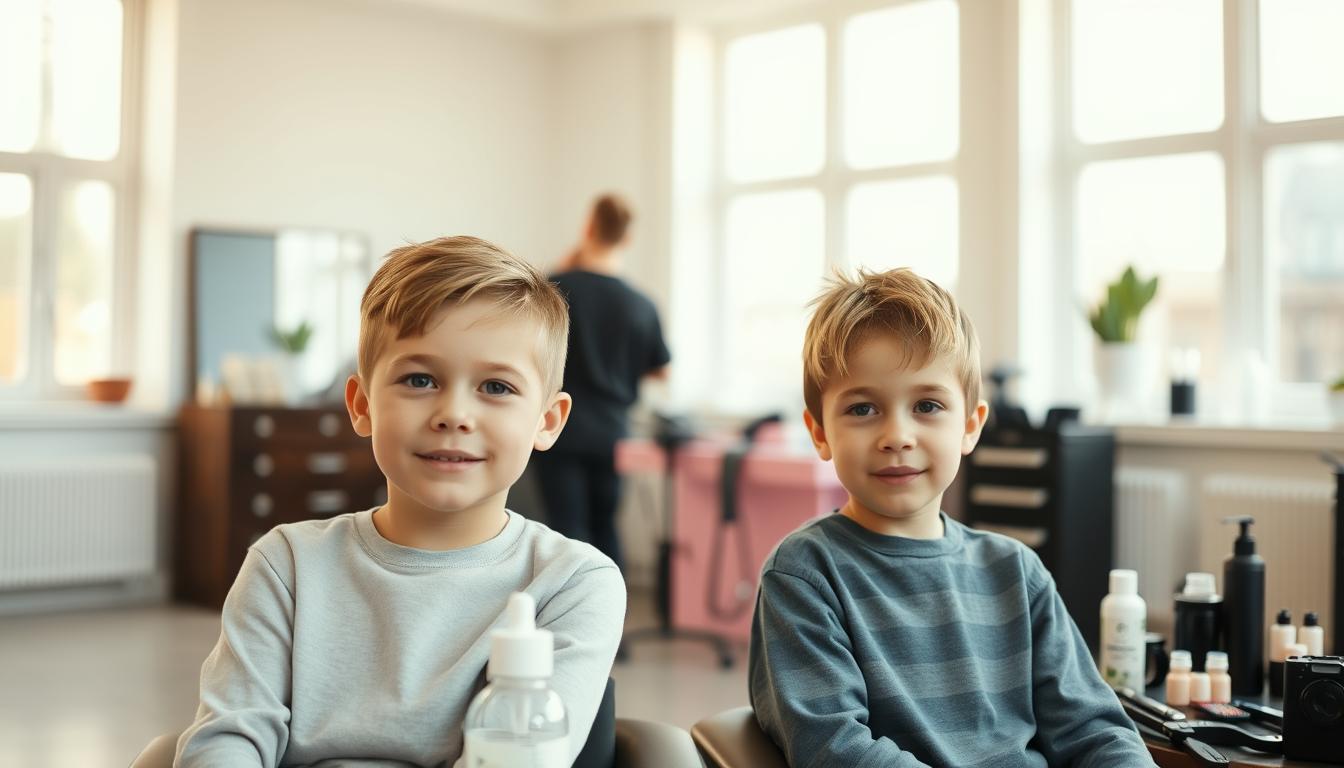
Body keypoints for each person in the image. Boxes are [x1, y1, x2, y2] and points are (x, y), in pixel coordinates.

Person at [176, 236, 626, 767]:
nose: (454, 413)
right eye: (420, 379)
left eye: (497, 388)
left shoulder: (575, 582)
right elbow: (228, 739)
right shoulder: (286, 566)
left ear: (547, 421)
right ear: (362, 405)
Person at [749, 268, 1154, 767]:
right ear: (820, 433)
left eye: (926, 405)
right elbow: (835, 749)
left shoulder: (1017, 572)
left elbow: (1094, 729)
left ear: (969, 426)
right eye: (862, 409)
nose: (897, 435)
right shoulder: (804, 575)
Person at [534, 194, 670, 572]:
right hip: (613, 433)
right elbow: (661, 370)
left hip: (559, 431)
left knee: (566, 531)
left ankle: (568, 622)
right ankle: (613, 621)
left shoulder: (553, 288)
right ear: (626, 239)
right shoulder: (642, 304)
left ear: (588, 228)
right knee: (606, 527)